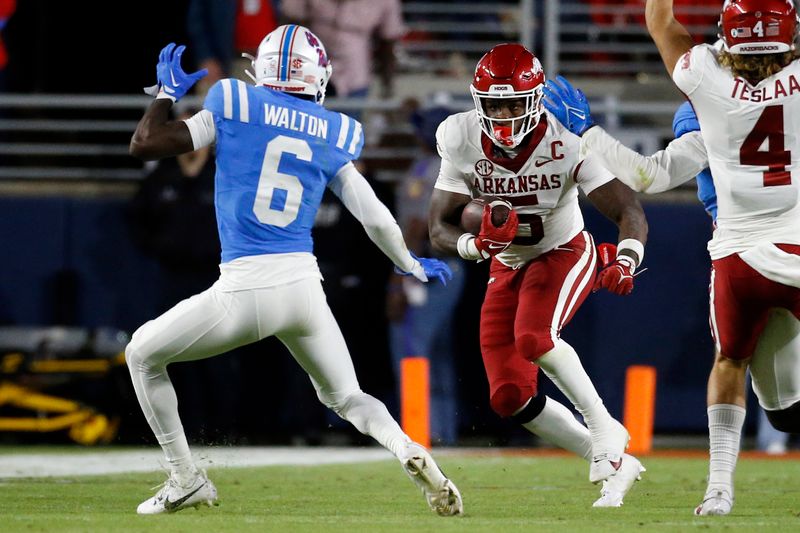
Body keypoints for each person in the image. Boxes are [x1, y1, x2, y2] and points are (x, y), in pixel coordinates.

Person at [125, 26, 462, 516]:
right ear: (316, 76)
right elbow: (373, 216)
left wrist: (164, 96)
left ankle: (185, 478)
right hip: (305, 289)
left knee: (141, 354)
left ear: (264, 69)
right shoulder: (332, 129)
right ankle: (407, 447)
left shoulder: (234, 103)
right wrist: (409, 264)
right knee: (348, 396)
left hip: (244, 289)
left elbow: (145, 144)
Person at [541, 0, 800, 514]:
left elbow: (648, 175)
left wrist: (588, 132)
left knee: (731, 363)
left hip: (739, 257)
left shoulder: (704, 80)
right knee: (787, 411)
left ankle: (719, 492)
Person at [427, 42, 648, 508]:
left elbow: (628, 209)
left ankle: (605, 427)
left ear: (536, 100)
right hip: (507, 263)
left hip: (563, 250)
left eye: (513, 103)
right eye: (494, 104)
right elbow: (438, 227)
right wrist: (475, 245)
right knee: (508, 397)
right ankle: (616, 463)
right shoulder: (459, 135)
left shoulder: (566, 139)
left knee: (533, 337)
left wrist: (627, 258)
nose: (503, 116)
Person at [673, 102, 797, 458]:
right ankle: (765, 439)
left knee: (734, 358)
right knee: (782, 408)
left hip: (782, 231)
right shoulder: (699, 109)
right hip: (743, 240)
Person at [386, 102, 466, 446]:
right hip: (450, 265)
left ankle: (421, 430)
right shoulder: (449, 166)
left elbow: (417, 226)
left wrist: (399, 278)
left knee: (410, 343)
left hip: (427, 267)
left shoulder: (430, 169)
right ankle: (443, 429)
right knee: (438, 350)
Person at [280, 0, 404, 100]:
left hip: (354, 78)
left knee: (348, 127)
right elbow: (290, 21)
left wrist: (388, 86)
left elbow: (388, 40)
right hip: (309, 74)